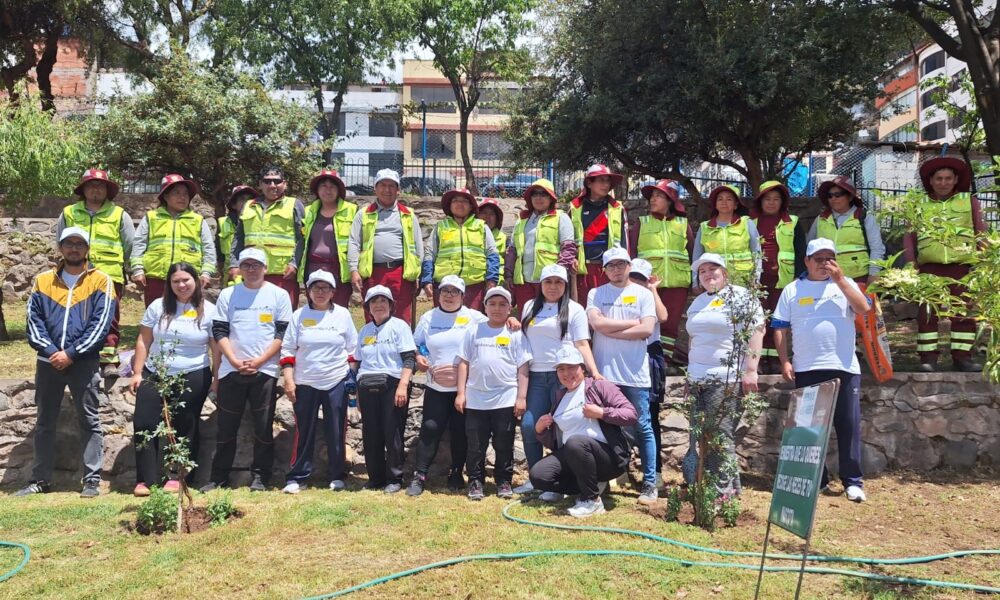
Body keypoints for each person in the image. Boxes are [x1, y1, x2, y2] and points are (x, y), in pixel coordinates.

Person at [16, 227, 115, 498]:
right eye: (68, 243)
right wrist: (52, 352)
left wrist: (71, 353)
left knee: (90, 421)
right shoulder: (43, 281)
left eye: (79, 244)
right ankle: (40, 480)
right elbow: (33, 322)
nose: (74, 248)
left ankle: (91, 480)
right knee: (44, 421)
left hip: (83, 362)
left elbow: (100, 325)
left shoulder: (101, 281)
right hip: (48, 362)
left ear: (87, 249)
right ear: (60, 248)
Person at [773, 238, 872, 502]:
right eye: (818, 259)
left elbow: (863, 309)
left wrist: (840, 281)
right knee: (810, 428)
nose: (824, 264)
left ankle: (852, 482)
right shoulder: (792, 289)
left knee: (848, 425)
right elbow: (780, 327)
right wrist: (784, 361)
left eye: (830, 258)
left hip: (844, 367)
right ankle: (818, 480)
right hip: (807, 367)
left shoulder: (846, 284)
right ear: (806, 261)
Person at [201, 248, 293, 492]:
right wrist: (233, 360)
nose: (251, 270)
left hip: (266, 370)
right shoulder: (228, 294)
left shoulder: (279, 295)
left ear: (265, 268)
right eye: (246, 265)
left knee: (263, 428)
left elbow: (282, 333)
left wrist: (260, 361)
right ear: (239, 269)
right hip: (231, 370)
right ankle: (218, 478)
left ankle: (261, 477)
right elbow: (219, 330)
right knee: (226, 428)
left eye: (256, 265)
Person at [129, 262, 219, 497]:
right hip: (155, 372)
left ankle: (178, 475)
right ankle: (146, 479)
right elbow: (144, 340)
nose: (181, 285)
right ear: (169, 284)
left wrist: (216, 378)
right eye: (176, 281)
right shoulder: (157, 306)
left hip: (193, 372)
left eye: (186, 280)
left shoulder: (210, 310)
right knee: (144, 422)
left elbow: (215, 348)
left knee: (185, 424)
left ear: (196, 280)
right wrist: (137, 372)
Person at [680, 253, 764, 497]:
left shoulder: (741, 296)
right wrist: (689, 377)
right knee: (703, 435)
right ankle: (710, 489)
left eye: (713, 268)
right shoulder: (697, 303)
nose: (707, 274)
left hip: (726, 377)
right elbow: (695, 340)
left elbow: (757, 330)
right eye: (702, 271)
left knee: (720, 434)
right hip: (698, 378)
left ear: (725, 272)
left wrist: (751, 370)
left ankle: (724, 494)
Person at [515, 263, 601, 499]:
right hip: (536, 375)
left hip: (564, 376)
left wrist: (593, 371)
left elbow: (582, 343)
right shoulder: (529, 306)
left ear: (565, 285)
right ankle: (536, 478)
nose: (553, 287)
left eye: (558, 282)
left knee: (564, 428)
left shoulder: (575, 309)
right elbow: (523, 339)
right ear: (540, 284)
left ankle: (560, 482)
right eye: (548, 282)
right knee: (530, 425)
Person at [529, 346, 638, 518]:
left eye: (572, 367)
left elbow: (631, 414)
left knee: (576, 442)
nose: (567, 373)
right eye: (561, 369)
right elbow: (557, 442)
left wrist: (601, 413)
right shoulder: (560, 397)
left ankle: (592, 500)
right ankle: (587, 485)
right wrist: (540, 430)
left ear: (582, 368)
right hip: (574, 455)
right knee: (538, 475)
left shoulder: (599, 386)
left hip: (607, 458)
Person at [586, 247, 658, 504]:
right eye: (611, 265)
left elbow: (647, 329)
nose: (616, 269)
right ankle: (606, 477)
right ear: (604, 270)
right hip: (604, 374)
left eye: (621, 264)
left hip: (635, 374)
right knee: (604, 426)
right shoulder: (596, 293)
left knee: (642, 426)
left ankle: (650, 482)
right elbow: (597, 324)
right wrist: (631, 324)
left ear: (629, 266)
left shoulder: (643, 294)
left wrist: (610, 329)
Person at [902, 157, 988, 372]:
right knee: (927, 315)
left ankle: (962, 358)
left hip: (962, 268)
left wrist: (984, 263)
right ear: (931, 181)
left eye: (948, 178)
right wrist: (910, 263)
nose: (943, 183)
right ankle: (928, 359)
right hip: (929, 268)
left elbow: (981, 232)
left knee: (963, 314)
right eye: (939, 178)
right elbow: (909, 237)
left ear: (956, 179)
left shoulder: (969, 201)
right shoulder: (918, 204)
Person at [279, 269, 358, 494]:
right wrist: (289, 380)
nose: (320, 292)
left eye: (325, 288)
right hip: (305, 381)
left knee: (336, 430)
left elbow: (353, 350)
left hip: (336, 381)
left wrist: (350, 379)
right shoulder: (298, 315)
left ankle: (337, 475)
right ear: (308, 291)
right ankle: (297, 477)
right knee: (303, 431)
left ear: (333, 292)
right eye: (315, 287)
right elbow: (287, 349)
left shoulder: (343, 314)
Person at [407, 275, 486, 496]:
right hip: (437, 386)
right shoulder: (429, 317)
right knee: (430, 428)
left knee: (460, 432)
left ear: (463, 295)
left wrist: (511, 322)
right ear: (438, 294)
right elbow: (416, 344)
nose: (449, 296)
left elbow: (495, 327)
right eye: (445, 291)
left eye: (454, 292)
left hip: (463, 388)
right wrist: (420, 357)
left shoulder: (474, 317)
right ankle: (420, 475)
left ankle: (456, 473)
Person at [455, 287, 531, 501]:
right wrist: (460, 393)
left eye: (502, 304)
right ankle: (475, 481)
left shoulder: (515, 333)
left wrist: (521, 397)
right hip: (476, 399)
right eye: (492, 304)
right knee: (476, 445)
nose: (497, 308)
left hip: (505, 398)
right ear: (485, 307)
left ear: (510, 308)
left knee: (504, 443)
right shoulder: (473, 330)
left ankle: (504, 481)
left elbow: (523, 367)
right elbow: (463, 363)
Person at [58, 168, 135, 377]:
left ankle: (108, 362)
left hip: (109, 276)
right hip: (76, 275)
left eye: (101, 186)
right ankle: (77, 357)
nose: (96, 189)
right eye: (91, 185)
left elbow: (130, 244)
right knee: (75, 316)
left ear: (107, 190)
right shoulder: (69, 213)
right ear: (83, 189)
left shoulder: (120, 215)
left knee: (109, 319)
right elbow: (60, 241)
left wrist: (127, 267)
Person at [353, 285, 417, 494]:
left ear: (391, 305)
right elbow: (358, 363)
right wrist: (356, 394)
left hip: (392, 384)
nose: (378, 305)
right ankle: (375, 478)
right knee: (371, 433)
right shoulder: (365, 330)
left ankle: (394, 478)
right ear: (368, 307)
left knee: (393, 432)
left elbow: (409, 359)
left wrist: (403, 386)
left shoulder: (400, 326)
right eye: (374, 301)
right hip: (367, 385)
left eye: (383, 301)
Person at [629, 178, 693, 373]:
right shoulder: (641, 223)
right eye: (652, 196)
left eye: (659, 195)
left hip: (677, 282)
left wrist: (694, 280)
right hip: (647, 283)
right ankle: (645, 359)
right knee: (646, 320)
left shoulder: (683, 224)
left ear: (670, 200)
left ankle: (663, 361)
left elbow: (692, 253)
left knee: (671, 324)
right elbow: (632, 253)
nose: (653, 199)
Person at [348, 169, 424, 325]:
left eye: (391, 186)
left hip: (401, 273)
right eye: (383, 185)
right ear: (375, 189)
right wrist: (354, 270)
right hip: (373, 273)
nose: (387, 190)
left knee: (402, 315)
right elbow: (354, 242)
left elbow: (418, 246)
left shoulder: (408, 214)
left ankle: (401, 341)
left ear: (398, 190)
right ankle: (373, 341)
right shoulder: (363, 214)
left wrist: (418, 274)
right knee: (374, 315)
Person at [132, 174, 217, 306]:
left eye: (185, 194)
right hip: (156, 280)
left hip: (187, 281)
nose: (182, 197)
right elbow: (138, 245)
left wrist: (206, 273)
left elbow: (209, 249)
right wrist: (138, 270)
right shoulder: (151, 218)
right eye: (177, 193)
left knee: (188, 316)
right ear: (165, 196)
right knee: (156, 316)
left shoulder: (198, 220)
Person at [229, 165, 306, 309]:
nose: (272, 185)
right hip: (251, 272)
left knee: (283, 316)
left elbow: (302, 238)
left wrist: (294, 264)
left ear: (284, 183)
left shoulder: (294, 205)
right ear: (260, 184)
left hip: (283, 274)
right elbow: (238, 238)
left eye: (277, 181)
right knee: (252, 313)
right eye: (267, 181)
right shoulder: (248, 206)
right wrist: (234, 264)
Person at [751, 180, 805, 374]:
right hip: (757, 280)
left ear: (783, 202)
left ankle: (775, 358)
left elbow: (801, 251)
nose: (771, 203)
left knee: (779, 319)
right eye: (767, 199)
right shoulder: (749, 222)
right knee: (758, 319)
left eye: (776, 199)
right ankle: (757, 358)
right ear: (760, 201)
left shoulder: (793, 222)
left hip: (784, 280)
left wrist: (800, 277)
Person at [627, 259, 670, 490]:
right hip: (623, 355)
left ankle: (655, 471)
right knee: (617, 414)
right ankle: (620, 469)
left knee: (650, 416)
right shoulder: (620, 296)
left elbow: (663, 316)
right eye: (632, 277)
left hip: (649, 355)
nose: (636, 282)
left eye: (641, 279)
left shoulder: (650, 298)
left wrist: (653, 290)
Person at [421, 188, 500, 309]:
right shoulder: (440, 227)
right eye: (455, 201)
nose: (459, 204)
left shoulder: (482, 226)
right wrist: (427, 280)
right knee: (446, 319)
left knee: (472, 319)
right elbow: (429, 254)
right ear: (450, 206)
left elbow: (492, 254)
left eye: (464, 201)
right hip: (445, 286)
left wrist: (492, 280)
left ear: (471, 206)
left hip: (474, 286)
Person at [506, 178, 577, 310]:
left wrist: (557, 275)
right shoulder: (521, 220)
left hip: (550, 281)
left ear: (551, 198)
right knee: (526, 317)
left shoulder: (561, 217)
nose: (538, 198)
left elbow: (568, 248)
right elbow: (512, 250)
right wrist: (509, 274)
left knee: (551, 317)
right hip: (523, 281)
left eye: (543, 194)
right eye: (535, 194)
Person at [807, 176, 884, 287]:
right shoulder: (821, 219)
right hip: (826, 280)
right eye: (830, 196)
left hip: (859, 279)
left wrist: (873, 275)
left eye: (838, 195)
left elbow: (877, 248)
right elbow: (809, 248)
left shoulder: (864, 217)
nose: (833, 198)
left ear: (850, 196)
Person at [570, 164, 628, 304]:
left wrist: (624, 268)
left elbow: (625, 241)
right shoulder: (575, 208)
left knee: (609, 307)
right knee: (582, 309)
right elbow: (568, 239)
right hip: (582, 269)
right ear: (589, 183)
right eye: (601, 180)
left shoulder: (617, 208)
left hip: (608, 269)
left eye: (607, 181)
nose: (605, 184)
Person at [298, 169, 357, 308]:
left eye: (332, 186)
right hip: (313, 268)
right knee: (316, 307)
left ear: (339, 190)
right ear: (317, 190)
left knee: (338, 309)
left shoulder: (352, 210)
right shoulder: (308, 211)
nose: (327, 190)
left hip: (339, 269)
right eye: (323, 186)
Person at [693, 185, 761, 287]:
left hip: (743, 281)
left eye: (729, 199)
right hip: (714, 282)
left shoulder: (746, 223)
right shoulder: (704, 227)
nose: (724, 202)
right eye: (720, 199)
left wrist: (756, 278)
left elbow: (757, 252)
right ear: (715, 204)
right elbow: (697, 257)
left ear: (736, 205)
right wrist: (695, 282)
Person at [218, 185, 255, 287]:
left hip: (254, 274)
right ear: (234, 205)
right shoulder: (222, 223)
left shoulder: (259, 222)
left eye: (250, 199)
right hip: (230, 277)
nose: (247, 202)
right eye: (242, 199)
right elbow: (219, 253)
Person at [477, 198, 507, 285]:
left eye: (492, 214)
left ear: (497, 219)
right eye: (484, 212)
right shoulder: (469, 234)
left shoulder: (505, 238)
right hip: (475, 280)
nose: (487, 216)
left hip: (497, 282)